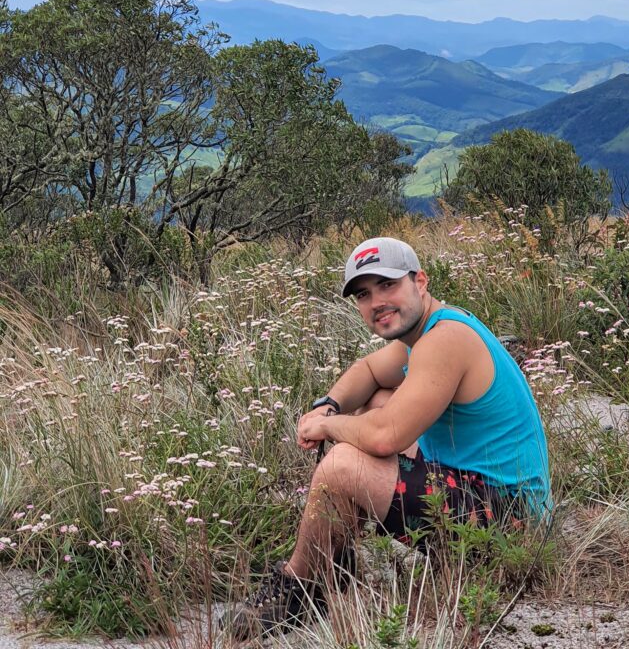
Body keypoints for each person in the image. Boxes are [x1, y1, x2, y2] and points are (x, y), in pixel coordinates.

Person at [225, 236, 551, 640]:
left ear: (420, 281)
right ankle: (333, 562)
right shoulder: (428, 331)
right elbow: (369, 371)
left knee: (344, 463)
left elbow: (385, 438)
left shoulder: (445, 339)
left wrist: (327, 426)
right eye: (364, 294)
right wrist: (329, 405)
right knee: (375, 402)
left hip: (511, 519)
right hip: (478, 489)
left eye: (388, 285)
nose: (377, 301)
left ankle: (297, 589)